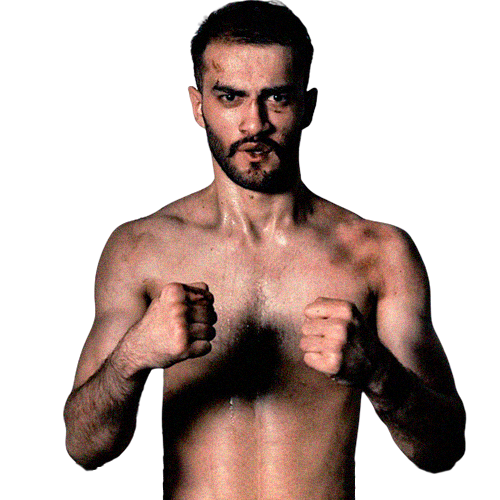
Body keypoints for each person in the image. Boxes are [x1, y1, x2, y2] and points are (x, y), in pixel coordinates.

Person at [63, 1, 466, 498]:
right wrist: (133, 357)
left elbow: (445, 451)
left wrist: (380, 375)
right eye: (230, 97)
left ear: (308, 104)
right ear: (197, 105)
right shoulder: (139, 249)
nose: (254, 124)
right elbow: (82, 448)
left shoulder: (378, 252)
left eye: (277, 98)